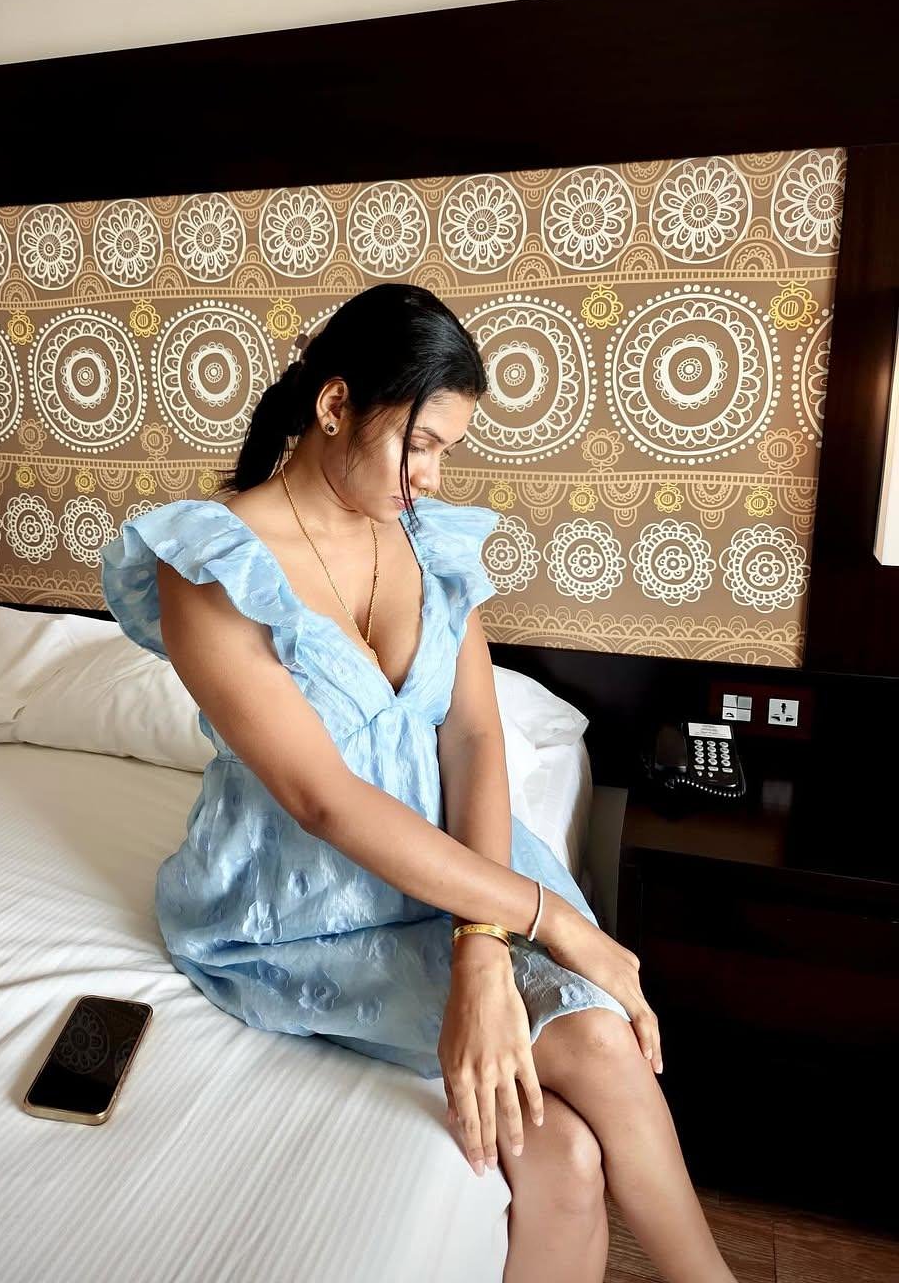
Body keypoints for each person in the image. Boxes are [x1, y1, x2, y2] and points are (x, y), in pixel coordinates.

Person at [99, 282, 736, 1283]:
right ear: (335, 404)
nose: (431, 477)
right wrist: (554, 923)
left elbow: (475, 737)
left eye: (447, 451)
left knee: (573, 1145)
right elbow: (323, 801)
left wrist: (484, 946)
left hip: (459, 872)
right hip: (302, 902)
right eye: (420, 444)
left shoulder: (427, 540)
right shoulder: (211, 563)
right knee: (594, 1073)